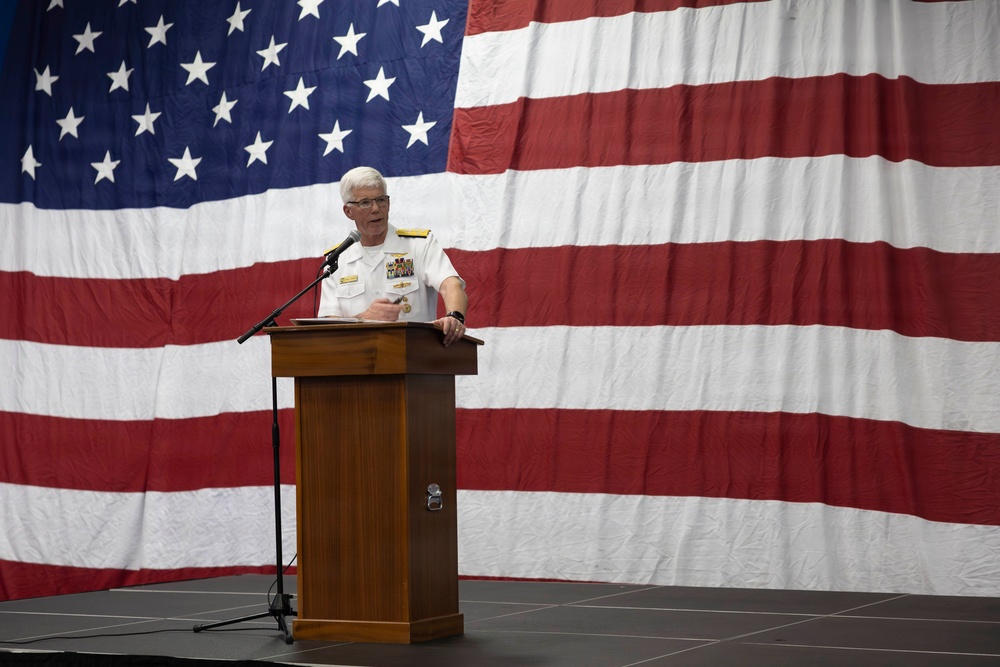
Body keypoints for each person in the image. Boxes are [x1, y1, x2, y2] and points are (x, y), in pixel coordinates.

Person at [317, 166, 468, 347]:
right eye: (365, 203)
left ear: (388, 203)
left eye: (380, 200)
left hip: (414, 354)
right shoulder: (336, 260)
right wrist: (364, 319)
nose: (375, 209)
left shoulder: (419, 244)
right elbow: (329, 327)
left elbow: (451, 285)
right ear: (348, 211)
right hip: (358, 358)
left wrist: (455, 316)